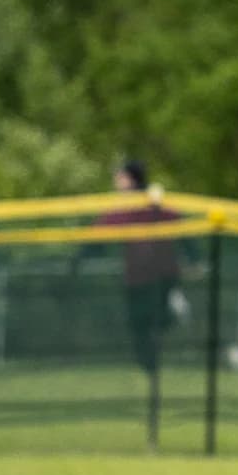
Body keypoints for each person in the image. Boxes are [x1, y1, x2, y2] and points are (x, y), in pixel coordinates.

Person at [73, 160, 198, 378]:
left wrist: (79, 259)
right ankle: (150, 366)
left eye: (120, 177)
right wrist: (79, 259)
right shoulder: (135, 204)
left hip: (157, 275)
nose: (116, 182)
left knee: (150, 322)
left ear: (131, 179)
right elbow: (99, 235)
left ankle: (152, 359)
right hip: (145, 276)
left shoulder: (148, 203)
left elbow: (181, 228)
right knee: (141, 324)